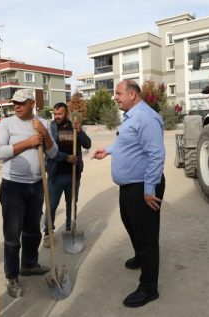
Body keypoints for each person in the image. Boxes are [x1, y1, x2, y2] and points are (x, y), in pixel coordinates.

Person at [92, 80, 165, 308]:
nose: (115, 97)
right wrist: (109, 150)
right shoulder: (132, 117)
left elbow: (156, 155)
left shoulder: (146, 117)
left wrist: (149, 190)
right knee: (130, 223)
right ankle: (141, 258)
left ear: (132, 94)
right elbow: (129, 144)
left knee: (147, 237)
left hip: (143, 186)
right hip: (130, 186)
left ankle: (148, 288)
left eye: (119, 93)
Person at [0, 88, 58, 298]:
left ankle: (29, 264)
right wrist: (29, 143)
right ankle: (12, 277)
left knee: (33, 230)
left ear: (32, 103)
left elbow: (53, 152)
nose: (17, 106)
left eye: (22, 102)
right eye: (15, 103)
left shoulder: (43, 123)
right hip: (13, 186)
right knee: (12, 234)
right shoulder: (6, 124)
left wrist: (44, 133)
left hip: (37, 184)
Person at [42, 102, 92, 248]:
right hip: (55, 174)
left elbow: (88, 145)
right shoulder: (49, 129)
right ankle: (48, 233)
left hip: (73, 174)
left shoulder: (74, 127)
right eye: (55, 114)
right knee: (51, 205)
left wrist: (80, 131)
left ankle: (70, 229)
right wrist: (67, 157)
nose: (57, 116)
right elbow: (49, 150)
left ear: (66, 114)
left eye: (60, 114)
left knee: (71, 203)